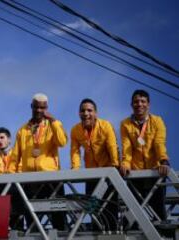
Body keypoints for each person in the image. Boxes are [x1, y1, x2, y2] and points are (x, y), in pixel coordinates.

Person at [8, 93, 68, 231]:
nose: (39, 110)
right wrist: (10, 176)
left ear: (47, 108)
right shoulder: (22, 130)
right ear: (31, 106)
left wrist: (54, 121)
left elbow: (62, 142)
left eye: (43, 108)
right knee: (32, 222)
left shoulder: (54, 125)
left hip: (52, 178)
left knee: (59, 221)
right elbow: (15, 157)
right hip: (30, 181)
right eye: (36, 107)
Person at [120, 89, 169, 222]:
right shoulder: (125, 124)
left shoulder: (157, 121)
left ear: (148, 105)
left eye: (143, 101)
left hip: (155, 170)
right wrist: (125, 163)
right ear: (131, 105)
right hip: (135, 172)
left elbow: (159, 143)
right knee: (133, 211)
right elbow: (127, 147)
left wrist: (163, 160)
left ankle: (161, 232)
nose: (139, 104)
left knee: (158, 209)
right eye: (136, 102)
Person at [70, 98, 119, 231]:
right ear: (79, 113)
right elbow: (75, 151)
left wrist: (115, 166)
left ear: (96, 113)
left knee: (111, 208)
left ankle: (113, 231)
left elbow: (112, 146)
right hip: (91, 174)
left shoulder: (105, 125)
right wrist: (75, 169)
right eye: (82, 111)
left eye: (89, 110)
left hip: (109, 174)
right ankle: (96, 231)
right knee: (92, 209)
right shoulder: (75, 130)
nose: (86, 113)